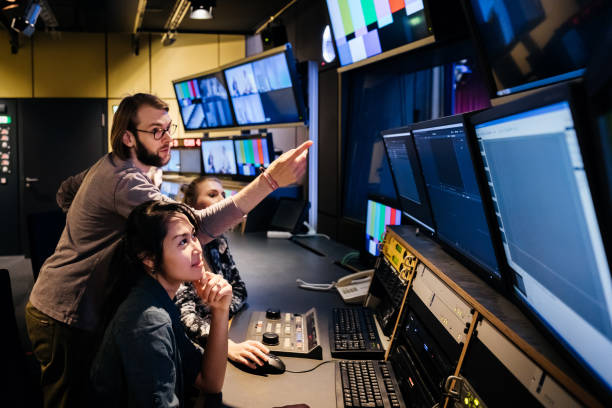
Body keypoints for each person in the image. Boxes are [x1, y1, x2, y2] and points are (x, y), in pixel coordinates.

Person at [25, 92, 312, 408]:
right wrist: (270, 180)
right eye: (156, 131)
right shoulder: (123, 182)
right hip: (66, 312)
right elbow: (199, 226)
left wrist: (89, 232)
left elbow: (65, 193)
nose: (168, 139)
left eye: (169, 128)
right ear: (128, 138)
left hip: (67, 301)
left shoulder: (109, 165)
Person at [90, 200, 232, 407]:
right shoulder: (150, 321)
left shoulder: (157, 297)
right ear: (149, 258)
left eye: (193, 236)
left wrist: (220, 310)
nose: (197, 248)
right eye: (182, 242)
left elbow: (209, 382)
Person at [177, 176, 269, 369]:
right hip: (189, 350)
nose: (222, 200)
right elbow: (185, 318)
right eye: (212, 195)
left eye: (224, 195)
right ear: (191, 206)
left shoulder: (218, 242)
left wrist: (221, 311)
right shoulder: (180, 251)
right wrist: (224, 342)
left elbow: (239, 289)